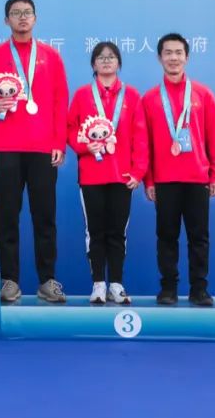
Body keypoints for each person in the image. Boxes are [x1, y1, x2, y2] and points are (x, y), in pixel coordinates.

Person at [0, 0, 68, 303]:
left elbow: (60, 101)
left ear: (35, 18)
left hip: (43, 148)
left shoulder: (51, 56)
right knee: (7, 215)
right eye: (16, 13)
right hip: (6, 147)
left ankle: (47, 280)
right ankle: (10, 280)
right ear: (6, 20)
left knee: (45, 216)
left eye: (27, 12)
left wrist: (59, 142)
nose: (22, 17)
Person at [142, 33, 215, 307]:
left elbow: (214, 137)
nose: (173, 58)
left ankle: (199, 289)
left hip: (197, 178)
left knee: (199, 238)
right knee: (166, 237)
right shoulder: (150, 98)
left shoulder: (203, 94)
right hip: (164, 180)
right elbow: (145, 144)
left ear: (187, 57)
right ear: (159, 58)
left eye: (178, 53)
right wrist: (149, 180)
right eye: (168, 53)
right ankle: (168, 288)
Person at [67, 41, 148, 305]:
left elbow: (141, 136)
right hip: (91, 175)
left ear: (119, 63)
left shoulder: (132, 95)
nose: (106, 61)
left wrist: (138, 171)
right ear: (93, 64)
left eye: (111, 57)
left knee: (117, 232)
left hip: (122, 177)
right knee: (95, 232)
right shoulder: (82, 95)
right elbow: (70, 129)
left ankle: (116, 284)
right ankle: (98, 284)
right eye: (100, 57)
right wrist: (84, 146)